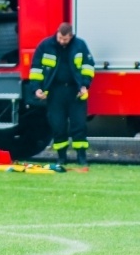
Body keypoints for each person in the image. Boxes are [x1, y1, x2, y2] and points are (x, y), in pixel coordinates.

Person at [29, 22, 95, 166]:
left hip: (75, 91)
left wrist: (84, 85)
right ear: (57, 33)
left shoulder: (80, 45)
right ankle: (61, 157)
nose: (61, 41)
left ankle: (81, 157)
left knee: (79, 125)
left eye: (65, 39)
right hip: (55, 92)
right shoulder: (46, 46)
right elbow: (36, 68)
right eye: (60, 37)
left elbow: (88, 66)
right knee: (58, 125)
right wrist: (37, 88)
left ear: (71, 36)